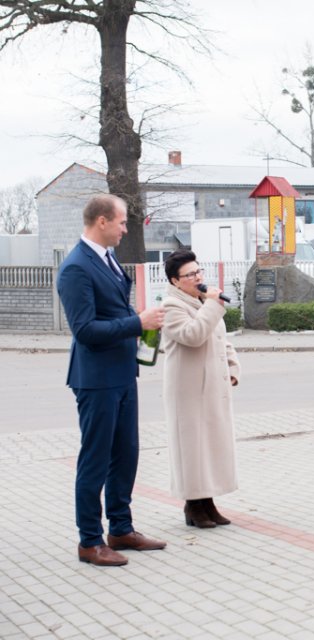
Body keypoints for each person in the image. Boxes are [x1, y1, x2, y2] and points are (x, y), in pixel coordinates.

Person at [57, 194, 167, 567]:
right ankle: (90, 541)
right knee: (96, 459)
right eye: (121, 223)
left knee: (126, 455)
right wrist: (138, 323)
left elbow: (112, 312)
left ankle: (120, 528)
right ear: (101, 221)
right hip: (96, 379)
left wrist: (139, 327)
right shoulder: (75, 267)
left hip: (123, 373)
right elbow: (85, 329)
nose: (125, 229)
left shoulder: (107, 258)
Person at [161, 250, 240, 529]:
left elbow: (221, 338)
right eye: (190, 274)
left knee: (211, 445)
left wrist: (232, 367)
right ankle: (193, 505)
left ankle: (207, 501)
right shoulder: (171, 305)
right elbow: (192, 335)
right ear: (175, 280)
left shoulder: (203, 303)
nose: (198, 278)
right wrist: (212, 305)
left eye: (199, 271)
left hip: (212, 387)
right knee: (192, 448)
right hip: (188, 390)